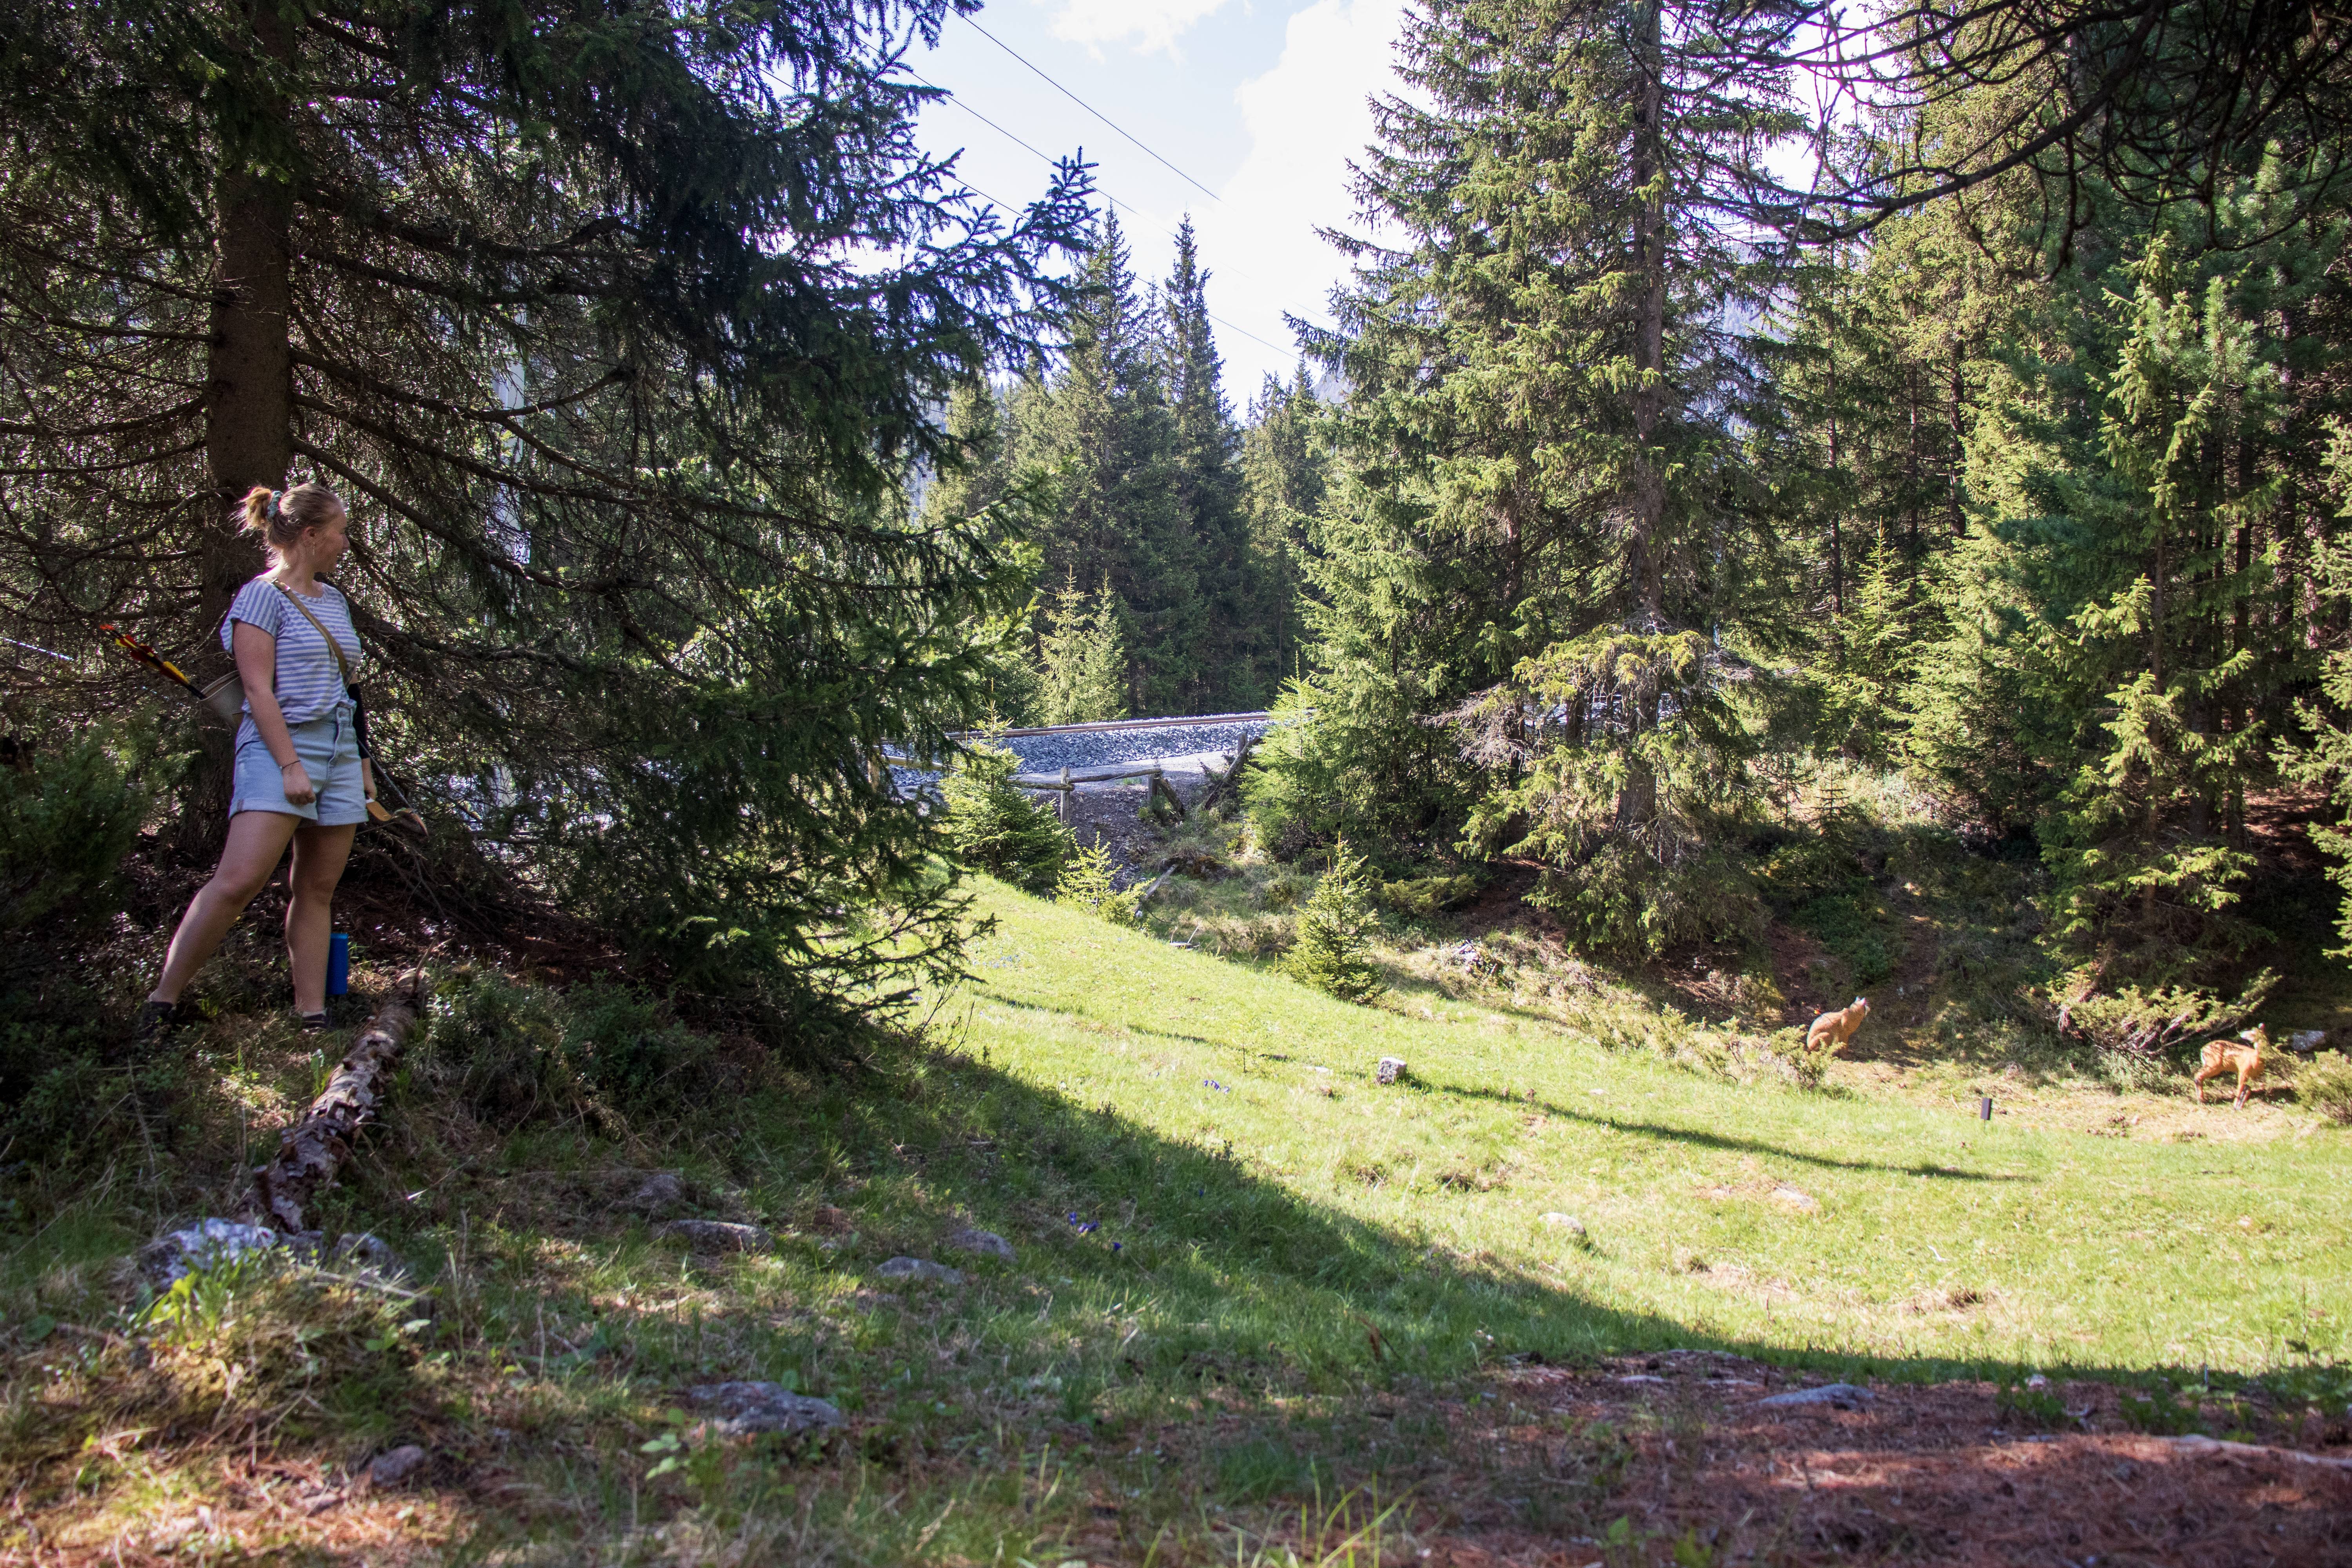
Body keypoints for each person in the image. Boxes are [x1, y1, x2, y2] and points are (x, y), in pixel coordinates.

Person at [138, 481, 378, 1044]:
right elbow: (257, 689)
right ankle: (162, 999)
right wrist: (292, 766)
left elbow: (352, 690)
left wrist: (363, 762)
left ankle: (312, 1014)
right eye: (340, 531)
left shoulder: (336, 601)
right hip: (278, 749)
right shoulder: (259, 598)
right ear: (312, 536)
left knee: (317, 888)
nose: (346, 542)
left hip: (340, 751)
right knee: (239, 880)